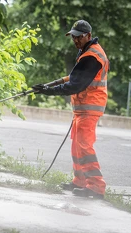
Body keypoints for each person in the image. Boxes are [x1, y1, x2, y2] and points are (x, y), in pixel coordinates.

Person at [32, 20, 109, 199]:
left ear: (88, 36)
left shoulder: (92, 56)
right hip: (82, 109)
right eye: (73, 37)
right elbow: (74, 76)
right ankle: (80, 181)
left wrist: (48, 91)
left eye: (79, 37)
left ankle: (96, 186)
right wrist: (49, 84)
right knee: (77, 145)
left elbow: (75, 85)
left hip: (90, 108)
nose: (75, 40)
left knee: (84, 146)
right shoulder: (86, 52)